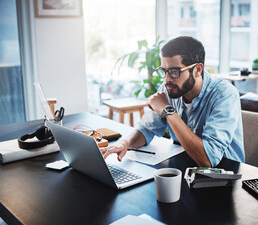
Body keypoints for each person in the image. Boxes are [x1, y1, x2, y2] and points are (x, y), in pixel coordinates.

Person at [102, 36, 245, 167]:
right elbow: (147, 129)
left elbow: (207, 160)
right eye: (164, 71)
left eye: (175, 72)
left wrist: (167, 110)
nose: (167, 79)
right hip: (184, 168)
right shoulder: (170, 88)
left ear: (198, 69)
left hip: (225, 176)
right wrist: (124, 143)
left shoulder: (224, 95)